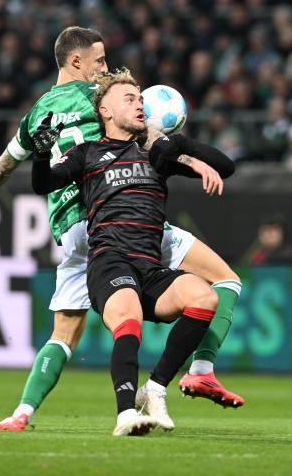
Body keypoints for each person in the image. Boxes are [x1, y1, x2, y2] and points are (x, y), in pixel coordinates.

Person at [0, 26, 243, 433]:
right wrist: (190, 159)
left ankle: (23, 412)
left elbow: (6, 164)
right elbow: (147, 136)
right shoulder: (101, 96)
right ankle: (200, 368)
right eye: (100, 61)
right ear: (77, 62)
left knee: (64, 334)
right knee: (225, 280)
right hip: (120, 211)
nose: (104, 68)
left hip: (71, 229)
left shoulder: (36, 115)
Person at [29, 68, 235, 436]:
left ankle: (154, 389)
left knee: (204, 297)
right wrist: (41, 156)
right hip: (110, 261)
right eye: (130, 99)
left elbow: (226, 166)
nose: (140, 104)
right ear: (105, 111)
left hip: (151, 267)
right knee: (129, 317)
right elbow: (42, 184)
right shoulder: (87, 154)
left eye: (141, 98)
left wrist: (180, 144)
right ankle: (125, 413)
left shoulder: (154, 154)